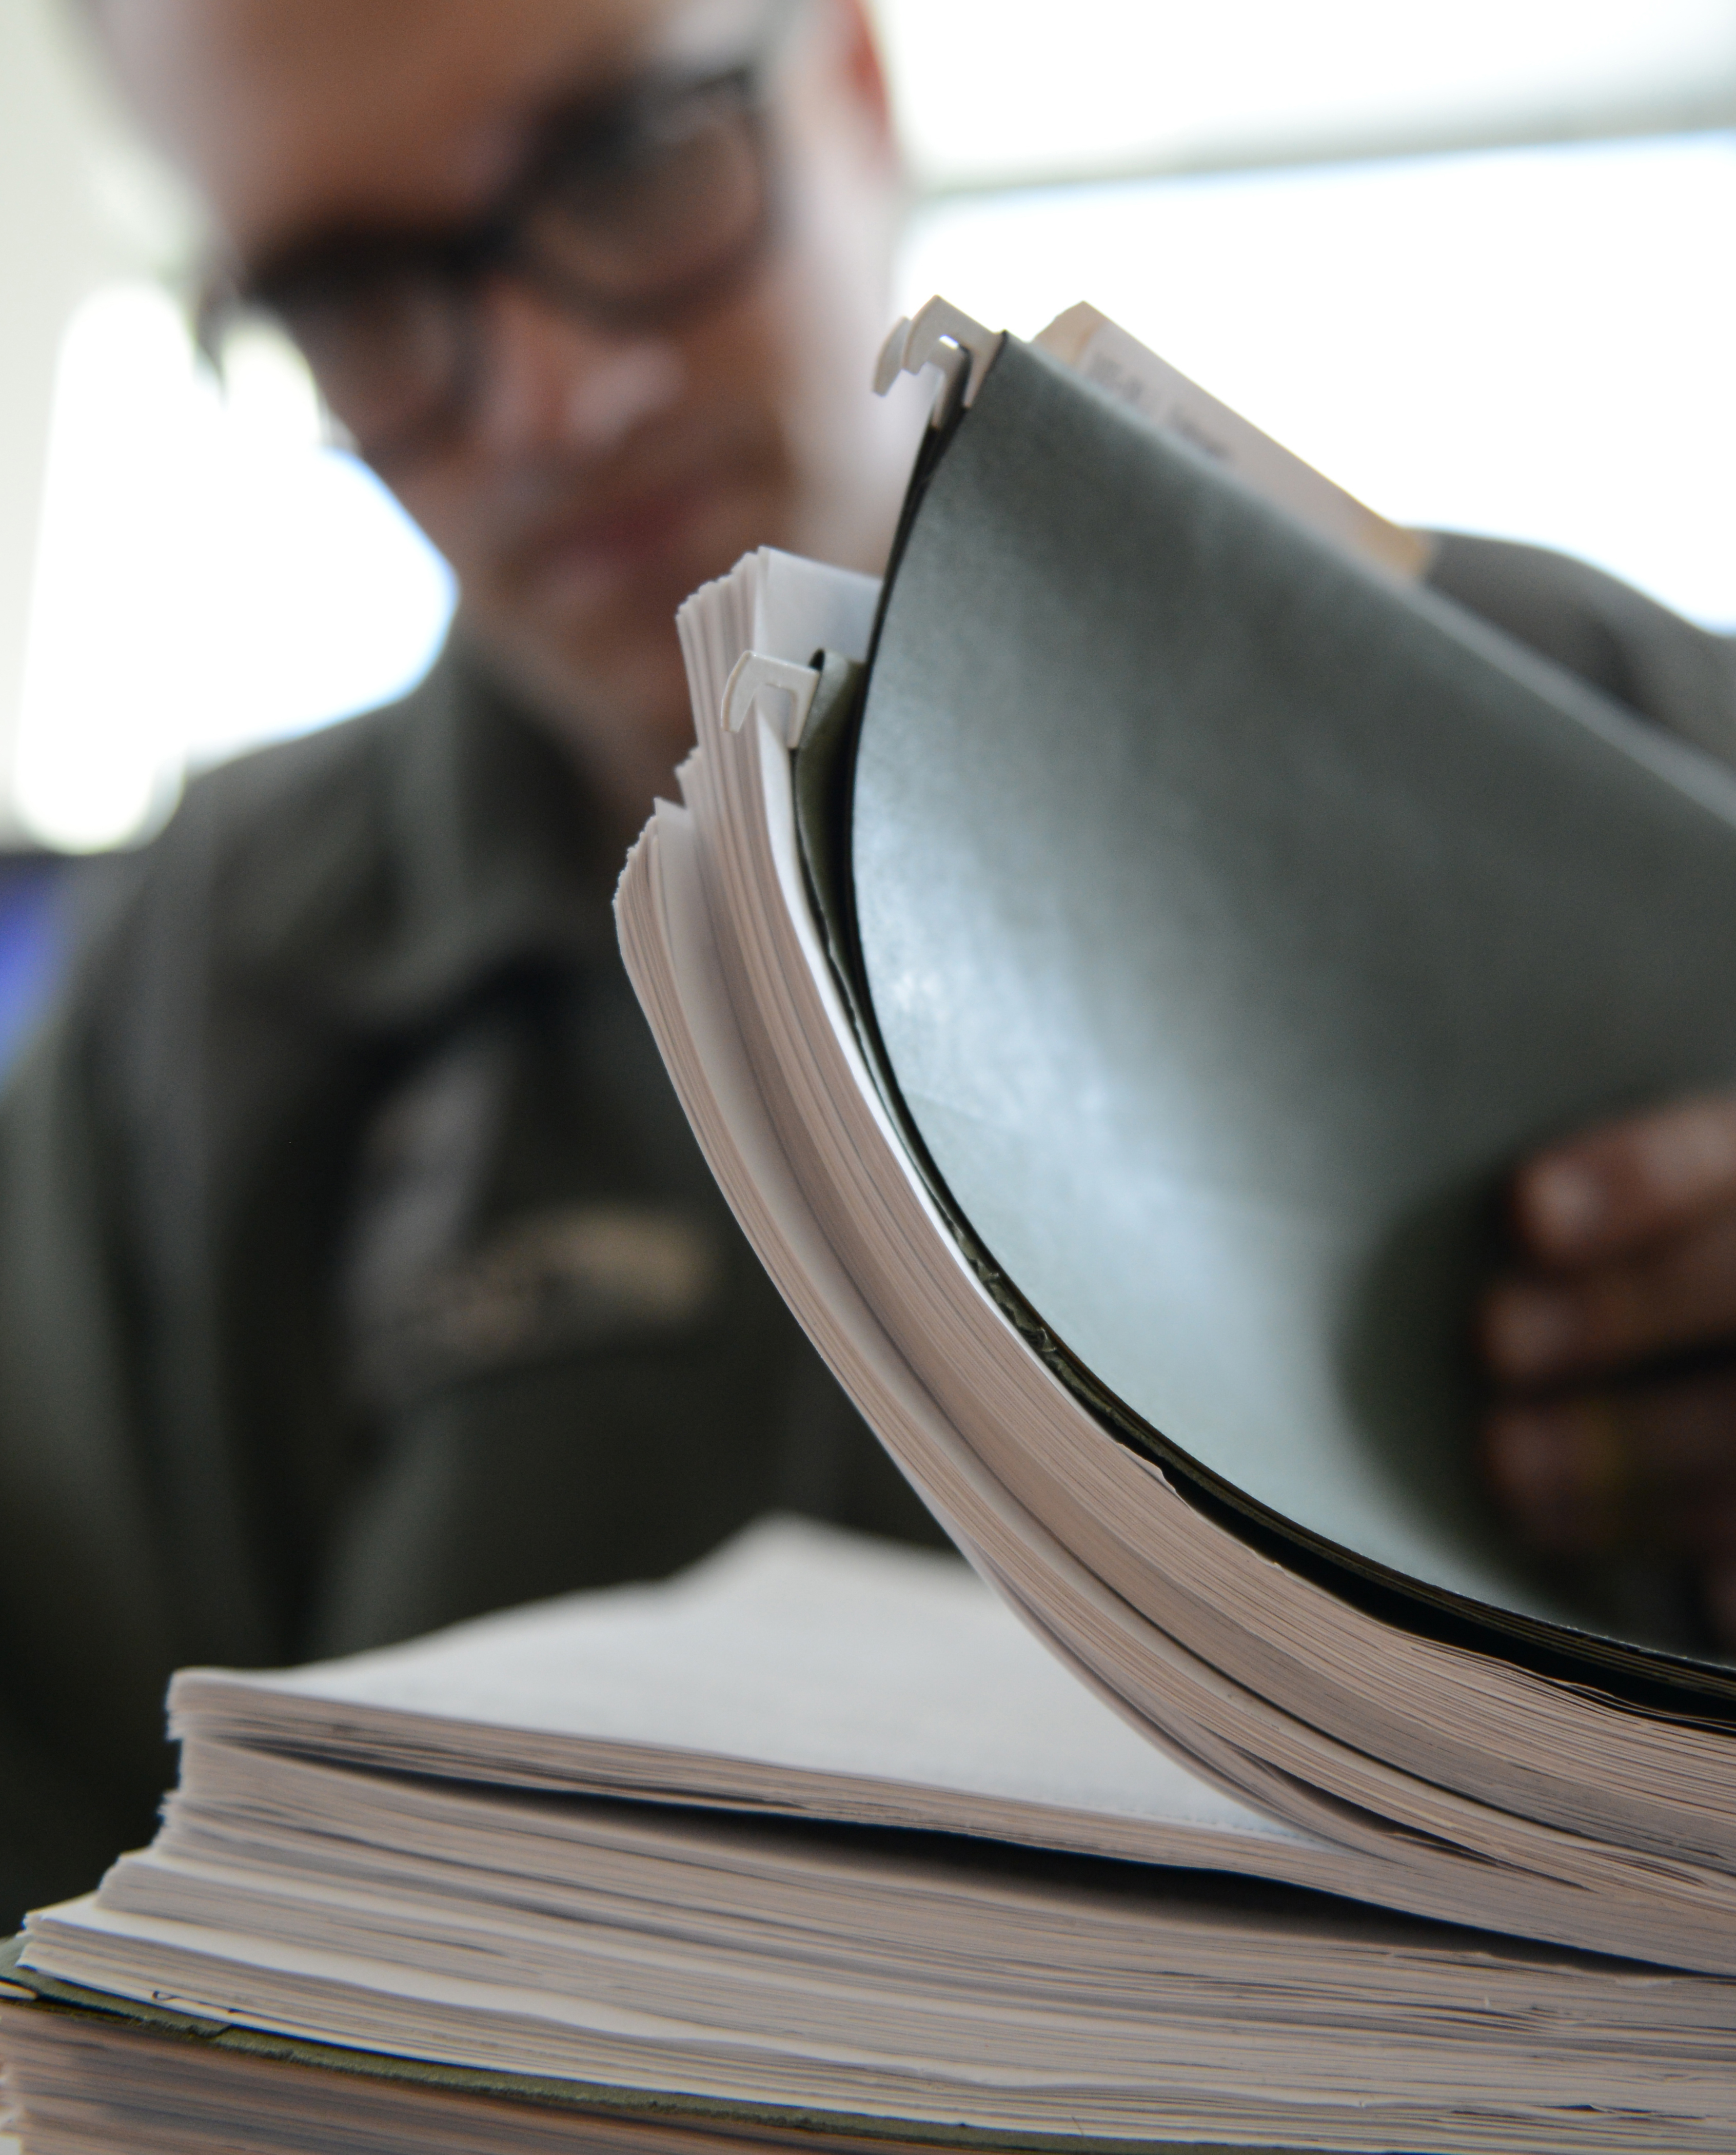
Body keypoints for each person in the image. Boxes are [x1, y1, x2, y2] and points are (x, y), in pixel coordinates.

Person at [2, 0, 1733, 1931]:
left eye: (623, 164)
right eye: (353, 296)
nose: (554, 397)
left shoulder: (1616, 743)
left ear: (853, 85)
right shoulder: (197, 991)